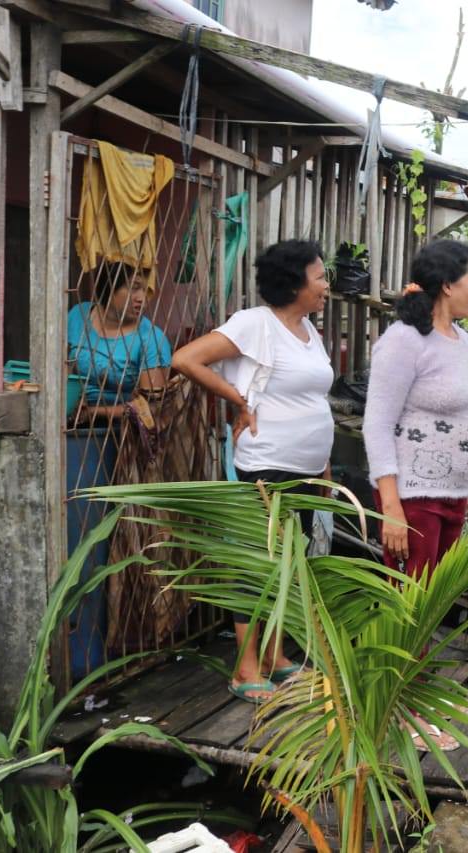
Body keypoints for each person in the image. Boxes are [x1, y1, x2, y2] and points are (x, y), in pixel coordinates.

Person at [171, 239, 333, 704]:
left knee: (288, 563)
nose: (327, 285)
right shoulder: (254, 323)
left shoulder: (308, 330)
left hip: (305, 468)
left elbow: (312, 398)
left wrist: (322, 465)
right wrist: (238, 401)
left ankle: (275, 656)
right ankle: (245, 668)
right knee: (256, 564)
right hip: (267, 464)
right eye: (320, 277)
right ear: (295, 283)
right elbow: (185, 359)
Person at [363, 239, 468, 583]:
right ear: (448, 285)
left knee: (437, 599)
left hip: (455, 496)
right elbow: (376, 425)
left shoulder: (463, 341)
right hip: (413, 498)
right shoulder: (403, 340)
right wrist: (391, 509)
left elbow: (467, 422)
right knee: (411, 601)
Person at [67, 260, 171, 421]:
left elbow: (152, 408)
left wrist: (92, 412)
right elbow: (60, 369)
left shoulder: (152, 339)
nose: (142, 298)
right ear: (110, 284)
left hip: (119, 429)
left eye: (146, 290)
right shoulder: (78, 315)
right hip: (66, 419)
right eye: (134, 287)